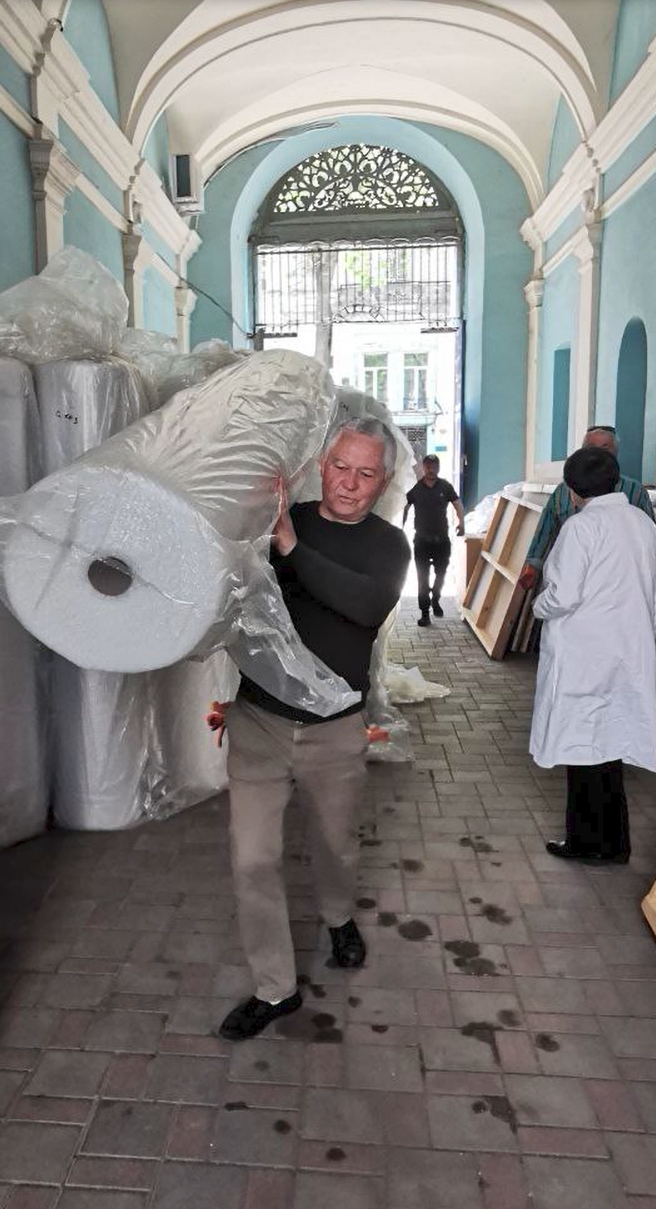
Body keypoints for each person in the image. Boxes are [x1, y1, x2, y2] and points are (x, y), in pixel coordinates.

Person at [218, 417, 410, 1041]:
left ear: (383, 483)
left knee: (335, 847)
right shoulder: (280, 518)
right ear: (320, 465)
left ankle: (338, 916)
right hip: (258, 724)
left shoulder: (387, 546)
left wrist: (292, 548)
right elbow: (229, 592)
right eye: (340, 467)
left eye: (366, 474)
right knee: (253, 860)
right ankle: (275, 990)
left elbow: (366, 605)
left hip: (334, 733)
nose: (349, 484)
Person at [530, 446, 656, 863]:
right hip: (627, 653)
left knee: (582, 750)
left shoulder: (579, 528)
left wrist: (538, 607)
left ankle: (586, 842)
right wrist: (637, 636)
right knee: (610, 751)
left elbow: (564, 595)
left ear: (572, 491)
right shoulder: (643, 524)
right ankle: (615, 843)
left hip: (585, 657)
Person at [518, 425, 654, 592]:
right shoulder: (564, 490)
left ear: (616, 452)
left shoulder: (636, 492)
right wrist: (533, 564)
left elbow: (649, 543)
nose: (597, 455)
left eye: (605, 448)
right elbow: (546, 528)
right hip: (570, 575)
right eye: (591, 449)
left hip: (620, 580)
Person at [403, 453, 464, 627]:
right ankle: (424, 613)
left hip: (442, 541)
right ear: (423, 468)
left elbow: (457, 503)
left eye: (434, 466)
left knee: (441, 574)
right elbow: (405, 506)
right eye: (428, 466)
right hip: (422, 541)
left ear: (438, 468)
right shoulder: (416, 488)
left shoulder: (445, 486)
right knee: (422, 578)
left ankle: (435, 598)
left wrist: (462, 523)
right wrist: (400, 527)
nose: (431, 469)